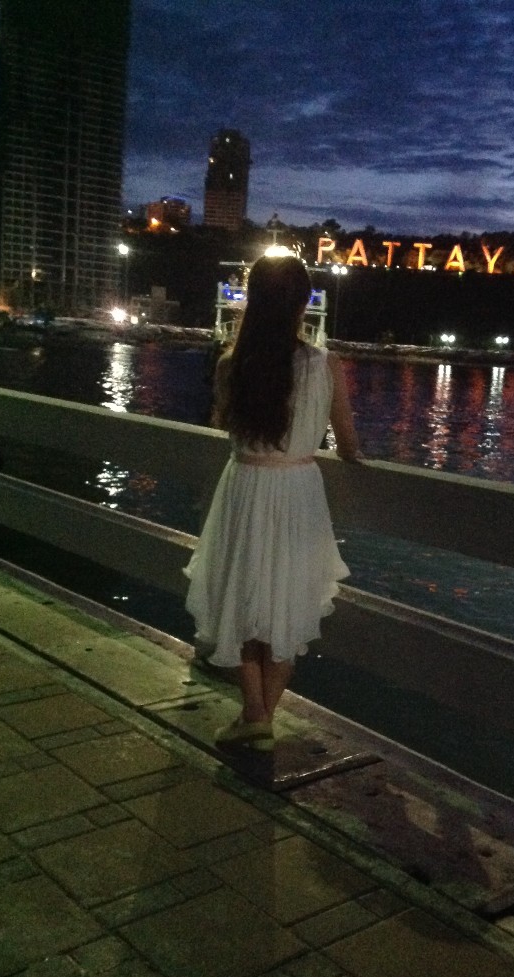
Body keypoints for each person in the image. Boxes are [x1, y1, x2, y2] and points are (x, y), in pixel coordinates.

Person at [184, 254, 362, 752]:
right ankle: (261, 717)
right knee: (289, 602)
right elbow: (348, 444)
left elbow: (225, 423)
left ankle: (255, 716)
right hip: (299, 491)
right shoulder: (325, 365)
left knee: (239, 597)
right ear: (304, 303)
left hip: (245, 487)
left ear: (253, 301)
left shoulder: (231, 365)